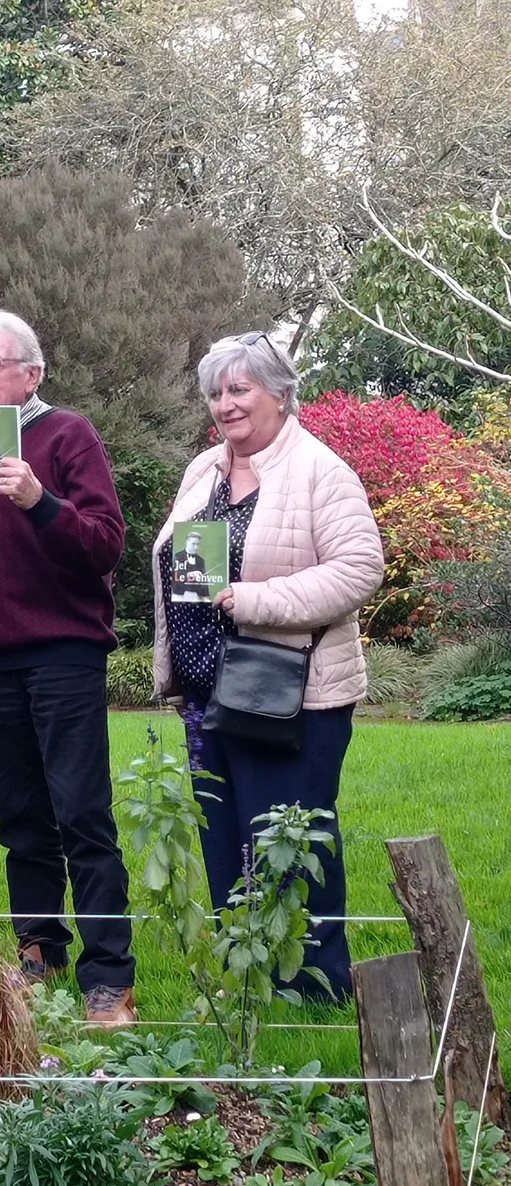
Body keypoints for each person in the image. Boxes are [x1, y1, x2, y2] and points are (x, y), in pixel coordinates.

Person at [152, 331, 382, 1002]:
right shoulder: (205, 471)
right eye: (216, 392)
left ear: (280, 394)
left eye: (239, 389)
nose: (225, 403)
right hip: (208, 693)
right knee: (225, 840)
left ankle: (314, 987)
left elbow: (360, 568)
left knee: (289, 839)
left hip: (290, 695)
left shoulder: (320, 470)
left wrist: (256, 600)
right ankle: (248, 979)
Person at [0, 308, 137, 1027]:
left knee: (81, 815)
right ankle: (40, 951)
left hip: (61, 654)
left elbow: (106, 544)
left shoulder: (68, 435)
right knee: (21, 821)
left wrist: (39, 501)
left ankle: (110, 979)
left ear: (31, 373)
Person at [172, 530, 213, 602]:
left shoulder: (200, 560)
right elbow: (175, 577)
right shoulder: (178, 556)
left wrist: (206, 596)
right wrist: (190, 574)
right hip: (179, 595)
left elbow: (204, 581)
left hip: (196, 596)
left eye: (198, 544)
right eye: (193, 544)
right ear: (187, 542)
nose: (196, 547)